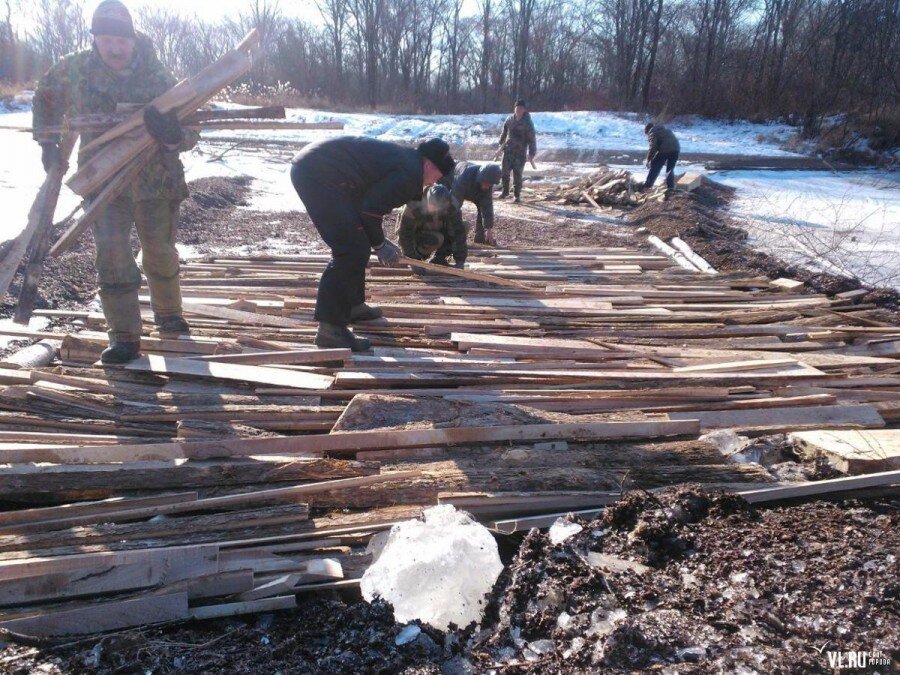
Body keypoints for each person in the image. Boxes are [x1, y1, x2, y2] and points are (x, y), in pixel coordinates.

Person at [32, 0, 198, 364]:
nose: (114, 47)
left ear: (133, 40)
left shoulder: (157, 76)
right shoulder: (75, 68)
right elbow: (45, 95)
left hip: (156, 179)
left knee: (160, 249)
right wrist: (47, 141)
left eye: (121, 40)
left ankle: (170, 317)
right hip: (102, 177)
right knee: (111, 253)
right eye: (105, 39)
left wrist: (174, 135)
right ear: (95, 39)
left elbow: (192, 124)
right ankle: (123, 335)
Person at [290, 136, 455, 351]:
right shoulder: (409, 174)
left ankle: (353, 305)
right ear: (428, 164)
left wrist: (377, 240)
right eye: (437, 176)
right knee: (350, 249)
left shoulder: (408, 163)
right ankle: (330, 329)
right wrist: (379, 244)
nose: (434, 182)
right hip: (318, 174)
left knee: (357, 242)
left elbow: (367, 207)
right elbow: (369, 210)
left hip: (323, 169)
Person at [397, 184, 465, 268]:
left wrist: (460, 260)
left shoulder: (451, 205)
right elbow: (404, 233)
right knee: (437, 238)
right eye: (433, 206)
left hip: (436, 230)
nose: (436, 209)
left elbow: (458, 232)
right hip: (416, 234)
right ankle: (419, 256)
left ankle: (439, 258)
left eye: (439, 207)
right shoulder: (414, 204)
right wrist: (413, 260)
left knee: (464, 226)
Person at [439, 161, 500, 247]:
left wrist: (489, 229)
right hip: (452, 181)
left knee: (482, 206)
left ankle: (480, 237)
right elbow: (455, 204)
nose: (487, 187)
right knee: (447, 206)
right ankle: (443, 234)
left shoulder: (488, 181)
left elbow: (487, 206)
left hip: (473, 188)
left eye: (490, 185)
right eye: (486, 184)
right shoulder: (463, 178)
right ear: (481, 178)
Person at [497, 99, 536, 203]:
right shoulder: (509, 120)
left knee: (517, 175)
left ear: (524, 110)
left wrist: (532, 153)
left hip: (520, 152)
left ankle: (516, 195)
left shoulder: (528, 123)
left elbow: (532, 139)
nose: (518, 110)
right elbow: (504, 132)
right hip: (508, 151)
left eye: (520, 108)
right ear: (514, 108)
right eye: (517, 108)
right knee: (504, 172)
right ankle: (505, 192)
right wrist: (501, 144)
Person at [643, 122, 680, 192]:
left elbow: (653, 147)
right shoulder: (664, 129)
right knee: (670, 169)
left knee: (655, 166)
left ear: (647, 130)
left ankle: (648, 185)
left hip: (665, 149)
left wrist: (648, 159)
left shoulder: (652, 132)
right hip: (676, 149)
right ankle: (670, 187)